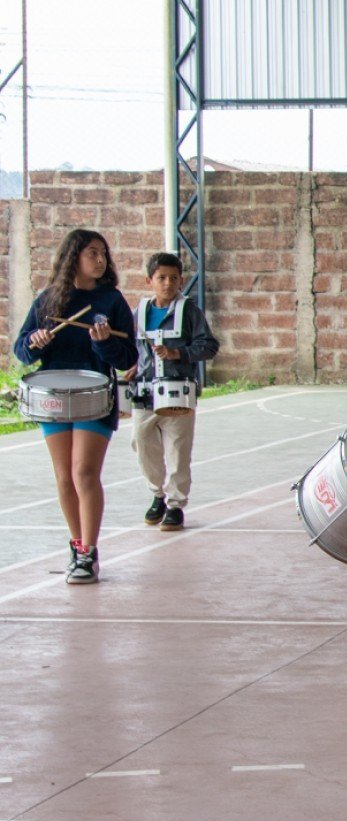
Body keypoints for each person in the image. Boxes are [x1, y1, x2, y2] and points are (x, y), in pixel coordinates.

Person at [11, 228, 139, 585]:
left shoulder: (112, 301)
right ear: (74, 258)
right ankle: (77, 544)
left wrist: (102, 345)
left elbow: (127, 355)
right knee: (64, 476)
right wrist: (34, 342)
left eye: (103, 254)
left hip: (95, 395)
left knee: (84, 473)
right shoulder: (48, 300)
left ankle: (89, 554)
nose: (100, 260)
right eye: (92, 253)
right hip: (53, 395)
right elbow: (21, 352)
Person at [129, 251, 219, 533]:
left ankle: (176, 505)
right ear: (149, 281)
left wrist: (177, 353)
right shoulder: (139, 313)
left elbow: (209, 345)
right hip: (144, 392)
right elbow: (132, 348)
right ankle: (157, 493)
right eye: (161, 278)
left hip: (178, 393)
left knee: (178, 450)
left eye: (174, 278)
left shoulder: (189, 311)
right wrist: (131, 364)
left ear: (181, 281)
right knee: (141, 443)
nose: (168, 283)